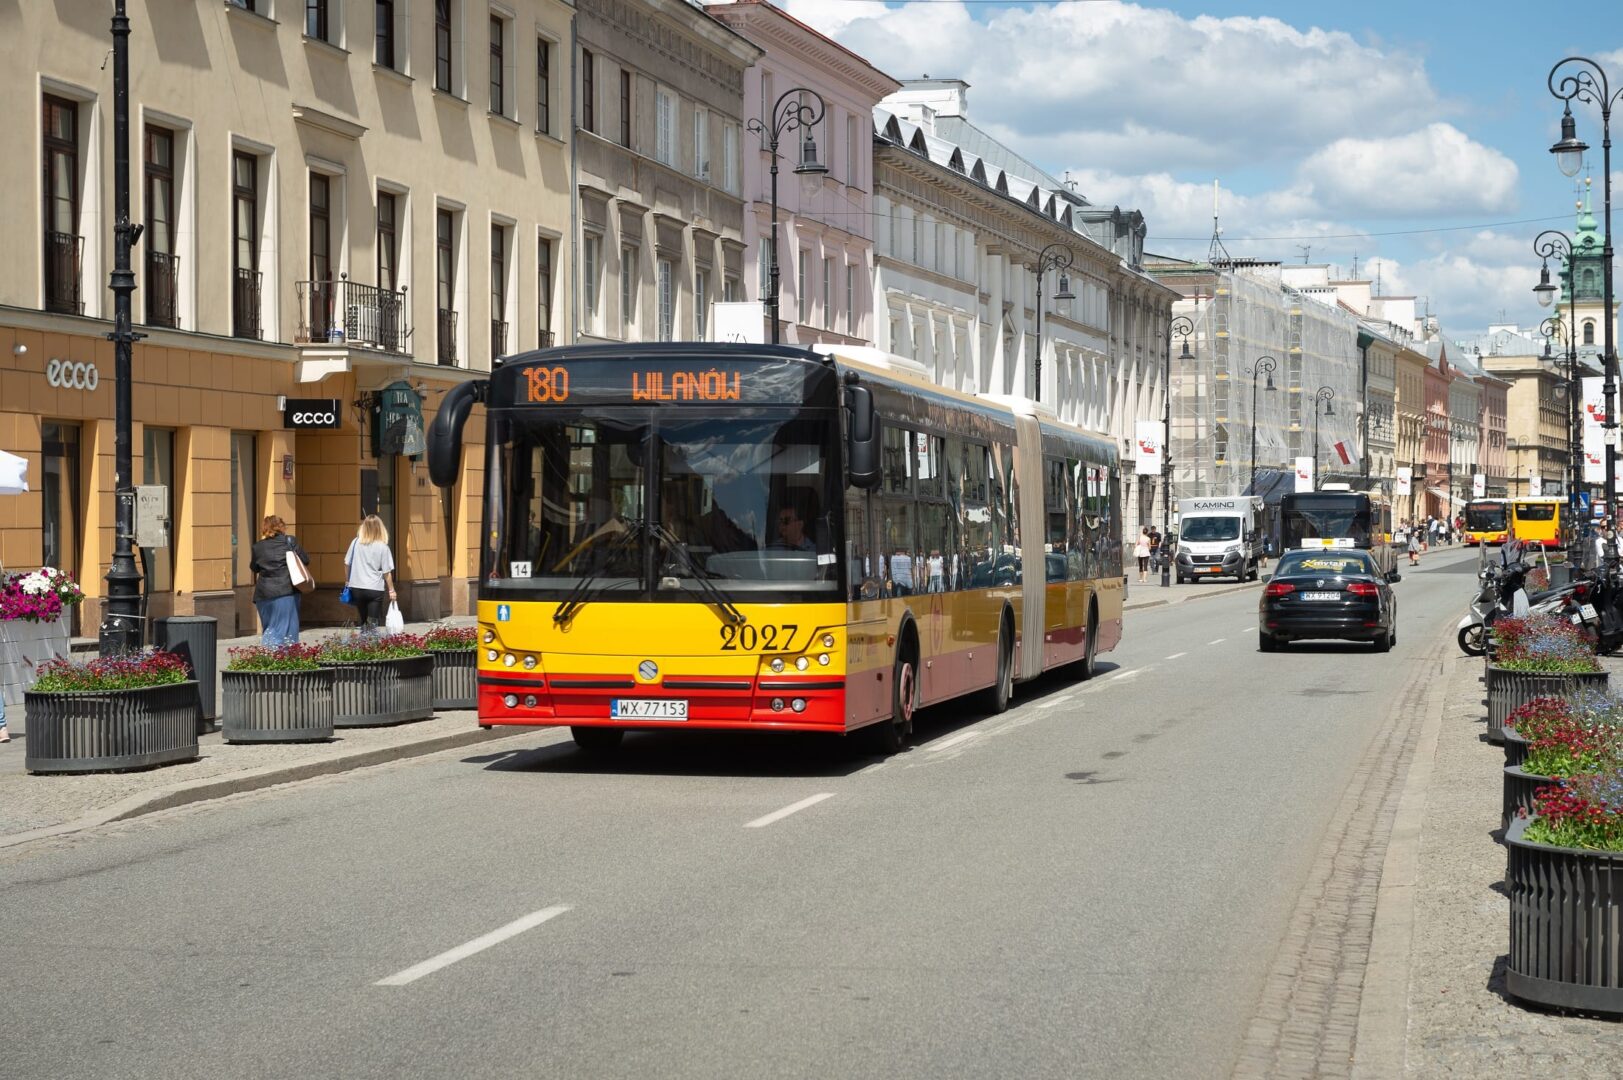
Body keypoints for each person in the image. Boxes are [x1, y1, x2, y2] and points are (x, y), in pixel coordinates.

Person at [250, 515, 308, 645]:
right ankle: (284, 661)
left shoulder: (258, 546)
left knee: (270, 629)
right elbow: (305, 560)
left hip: (263, 595)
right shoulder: (290, 541)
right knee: (287, 632)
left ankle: (267, 659)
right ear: (281, 527)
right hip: (286, 592)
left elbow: (254, 567)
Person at [344, 514, 398, 633]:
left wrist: (347, 581)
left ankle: (363, 644)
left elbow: (347, 563)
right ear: (380, 528)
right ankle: (370, 646)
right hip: (374, 589)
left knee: (363, 620)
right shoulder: (383, 547)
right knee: (372, 622)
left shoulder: (355, 542)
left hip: (357, 587)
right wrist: (391, 590)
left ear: (363, 527)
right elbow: (387, 572)